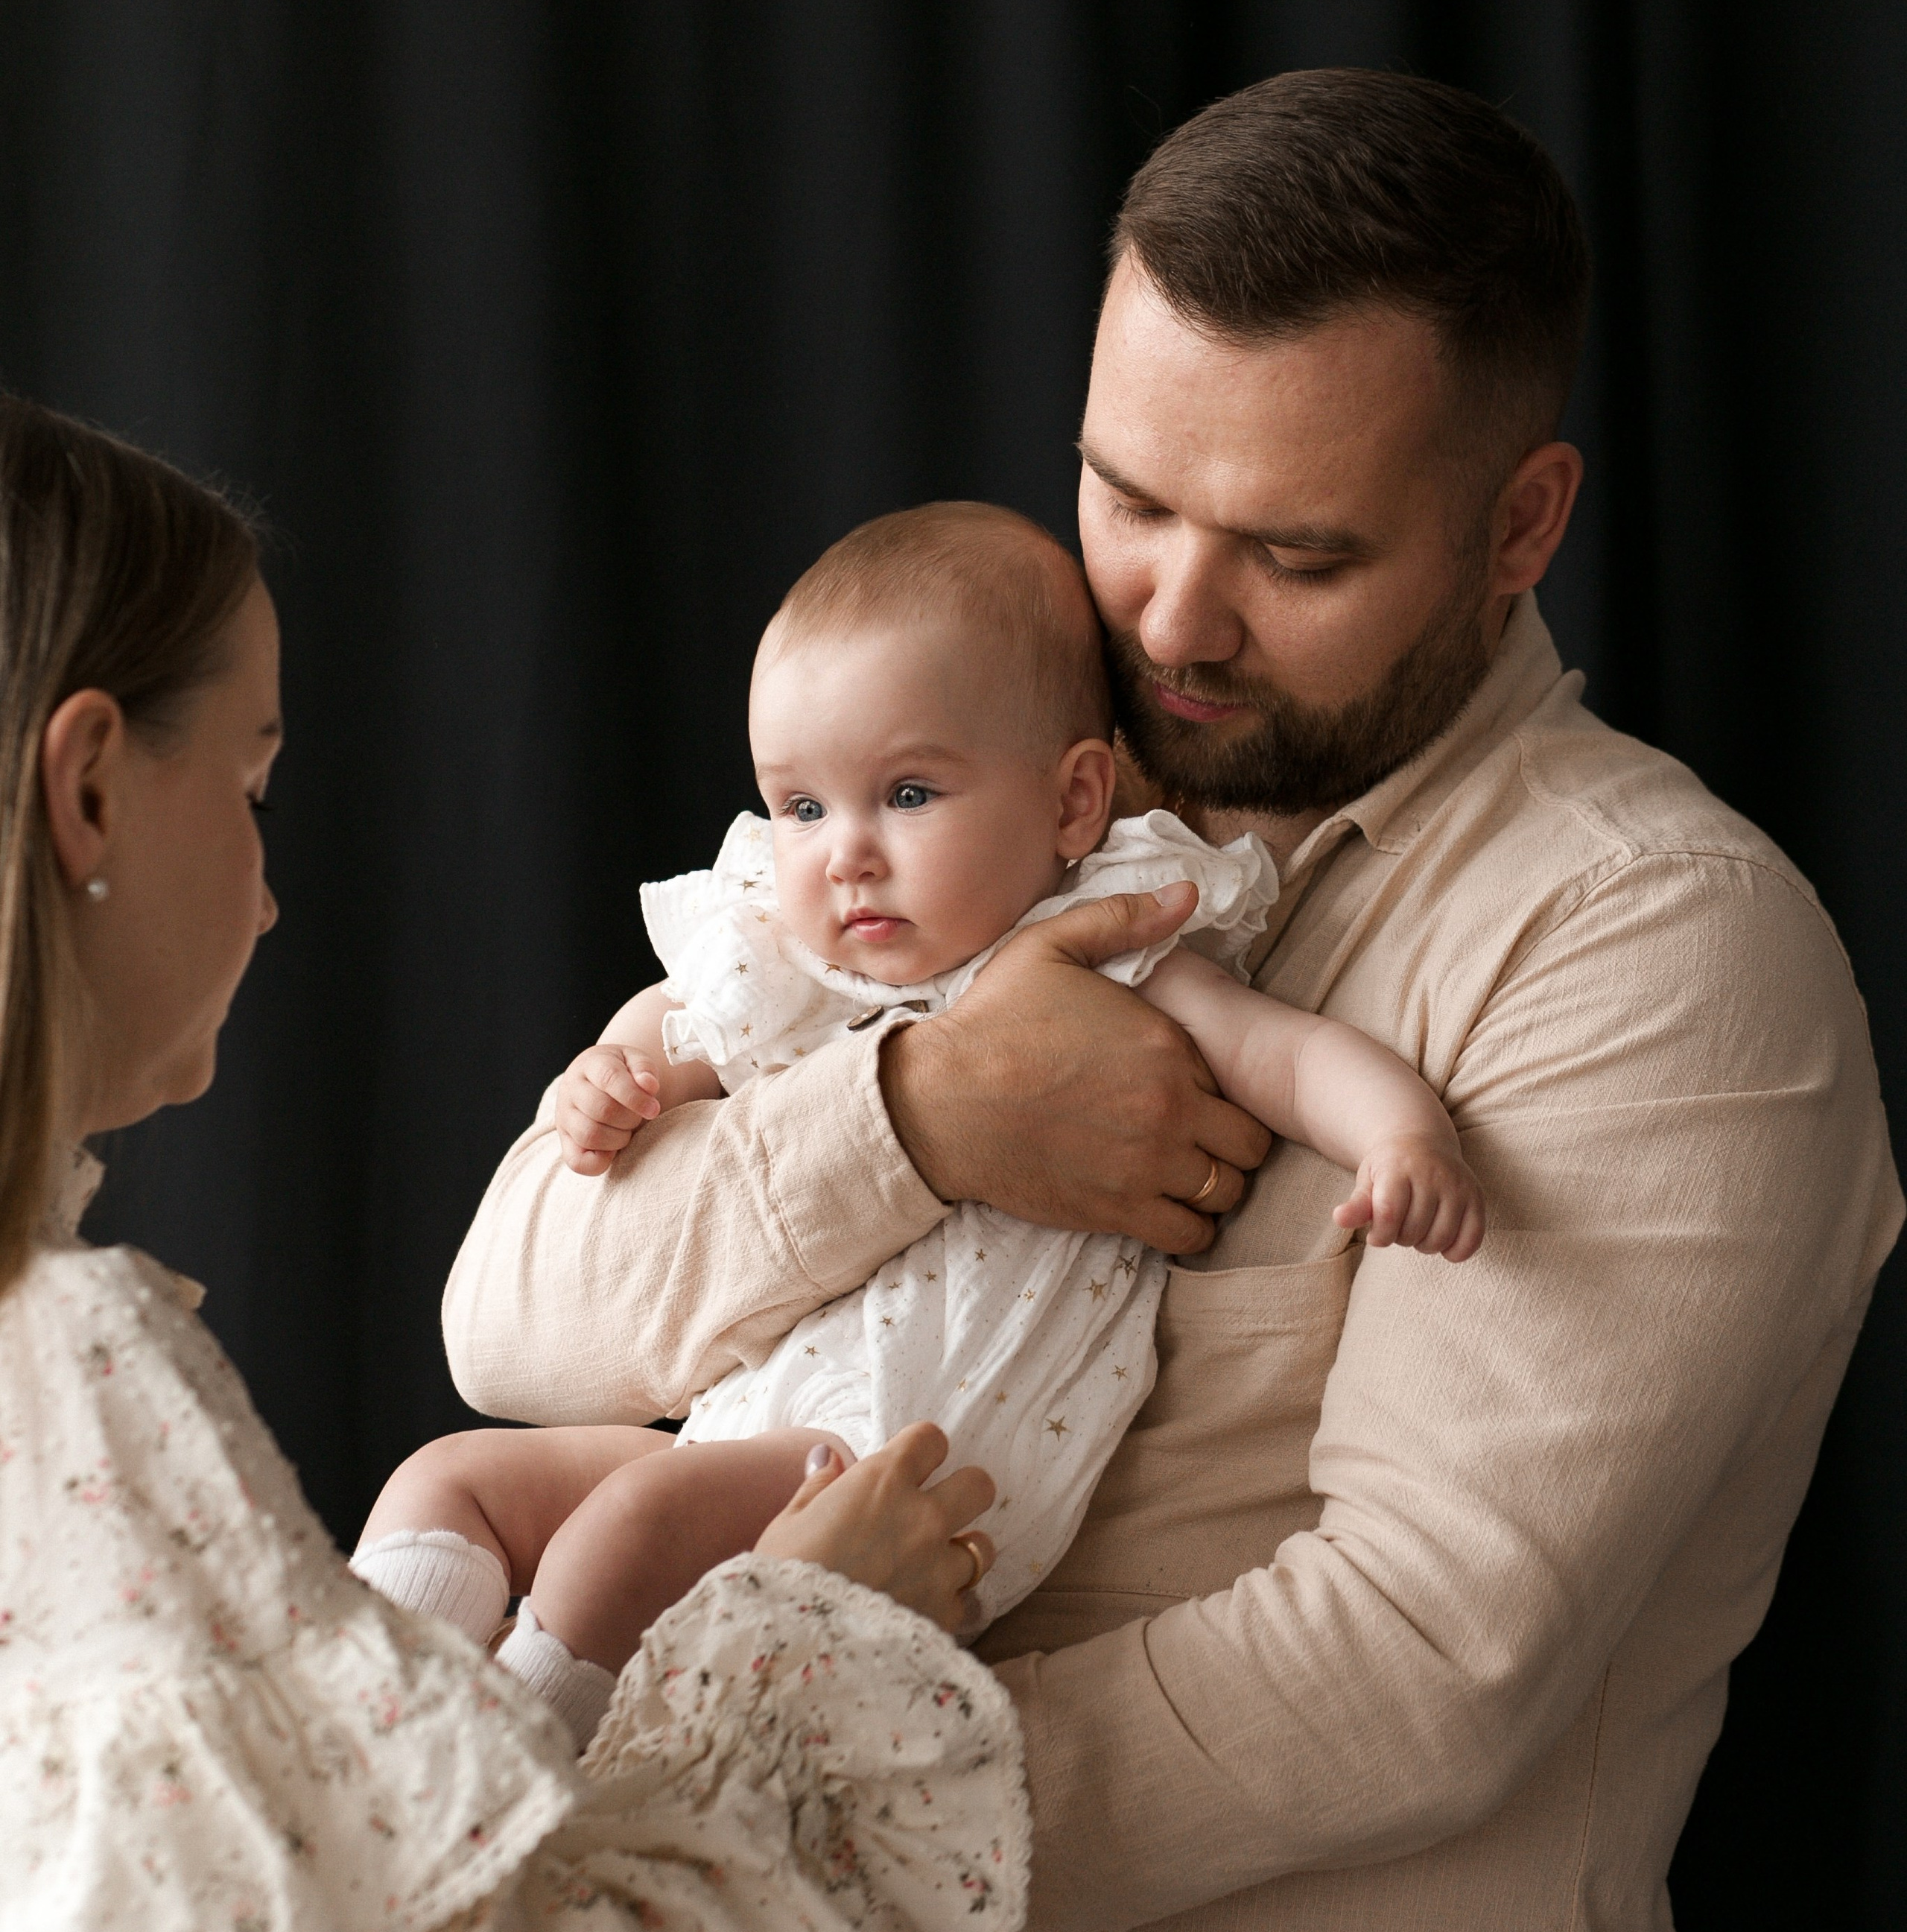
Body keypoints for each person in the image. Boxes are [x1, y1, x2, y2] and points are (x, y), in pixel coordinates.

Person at [444, 70, 1902, 1932]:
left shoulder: (1653, 951)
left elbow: (1427, 1655)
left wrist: (752, 1791)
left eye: (1299, 556)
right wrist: (921, 1117)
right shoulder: (976, 798)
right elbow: (520, 1317)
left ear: (1521, 524)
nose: (1172, 618)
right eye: (1126, 497)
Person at [0, 392, 1029, 1932]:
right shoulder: (55, 1380)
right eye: (255, 782)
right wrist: (787, 1652)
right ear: (86, 795)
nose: (277, 880)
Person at [360, 502, 1482, 1714]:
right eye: (800, 807)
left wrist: (1402, 1136)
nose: (843, 854)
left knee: (629, 1528)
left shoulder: (1116, 950)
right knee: (452, 1480)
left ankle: (485, 1787)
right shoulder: (796, 965)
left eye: (905, 794)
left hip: (915, 1474)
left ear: (1070, 802)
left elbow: (1292, 1057)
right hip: (742, 1443)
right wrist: (610, 1080)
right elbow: (665, 1041)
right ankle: (350, 1740)